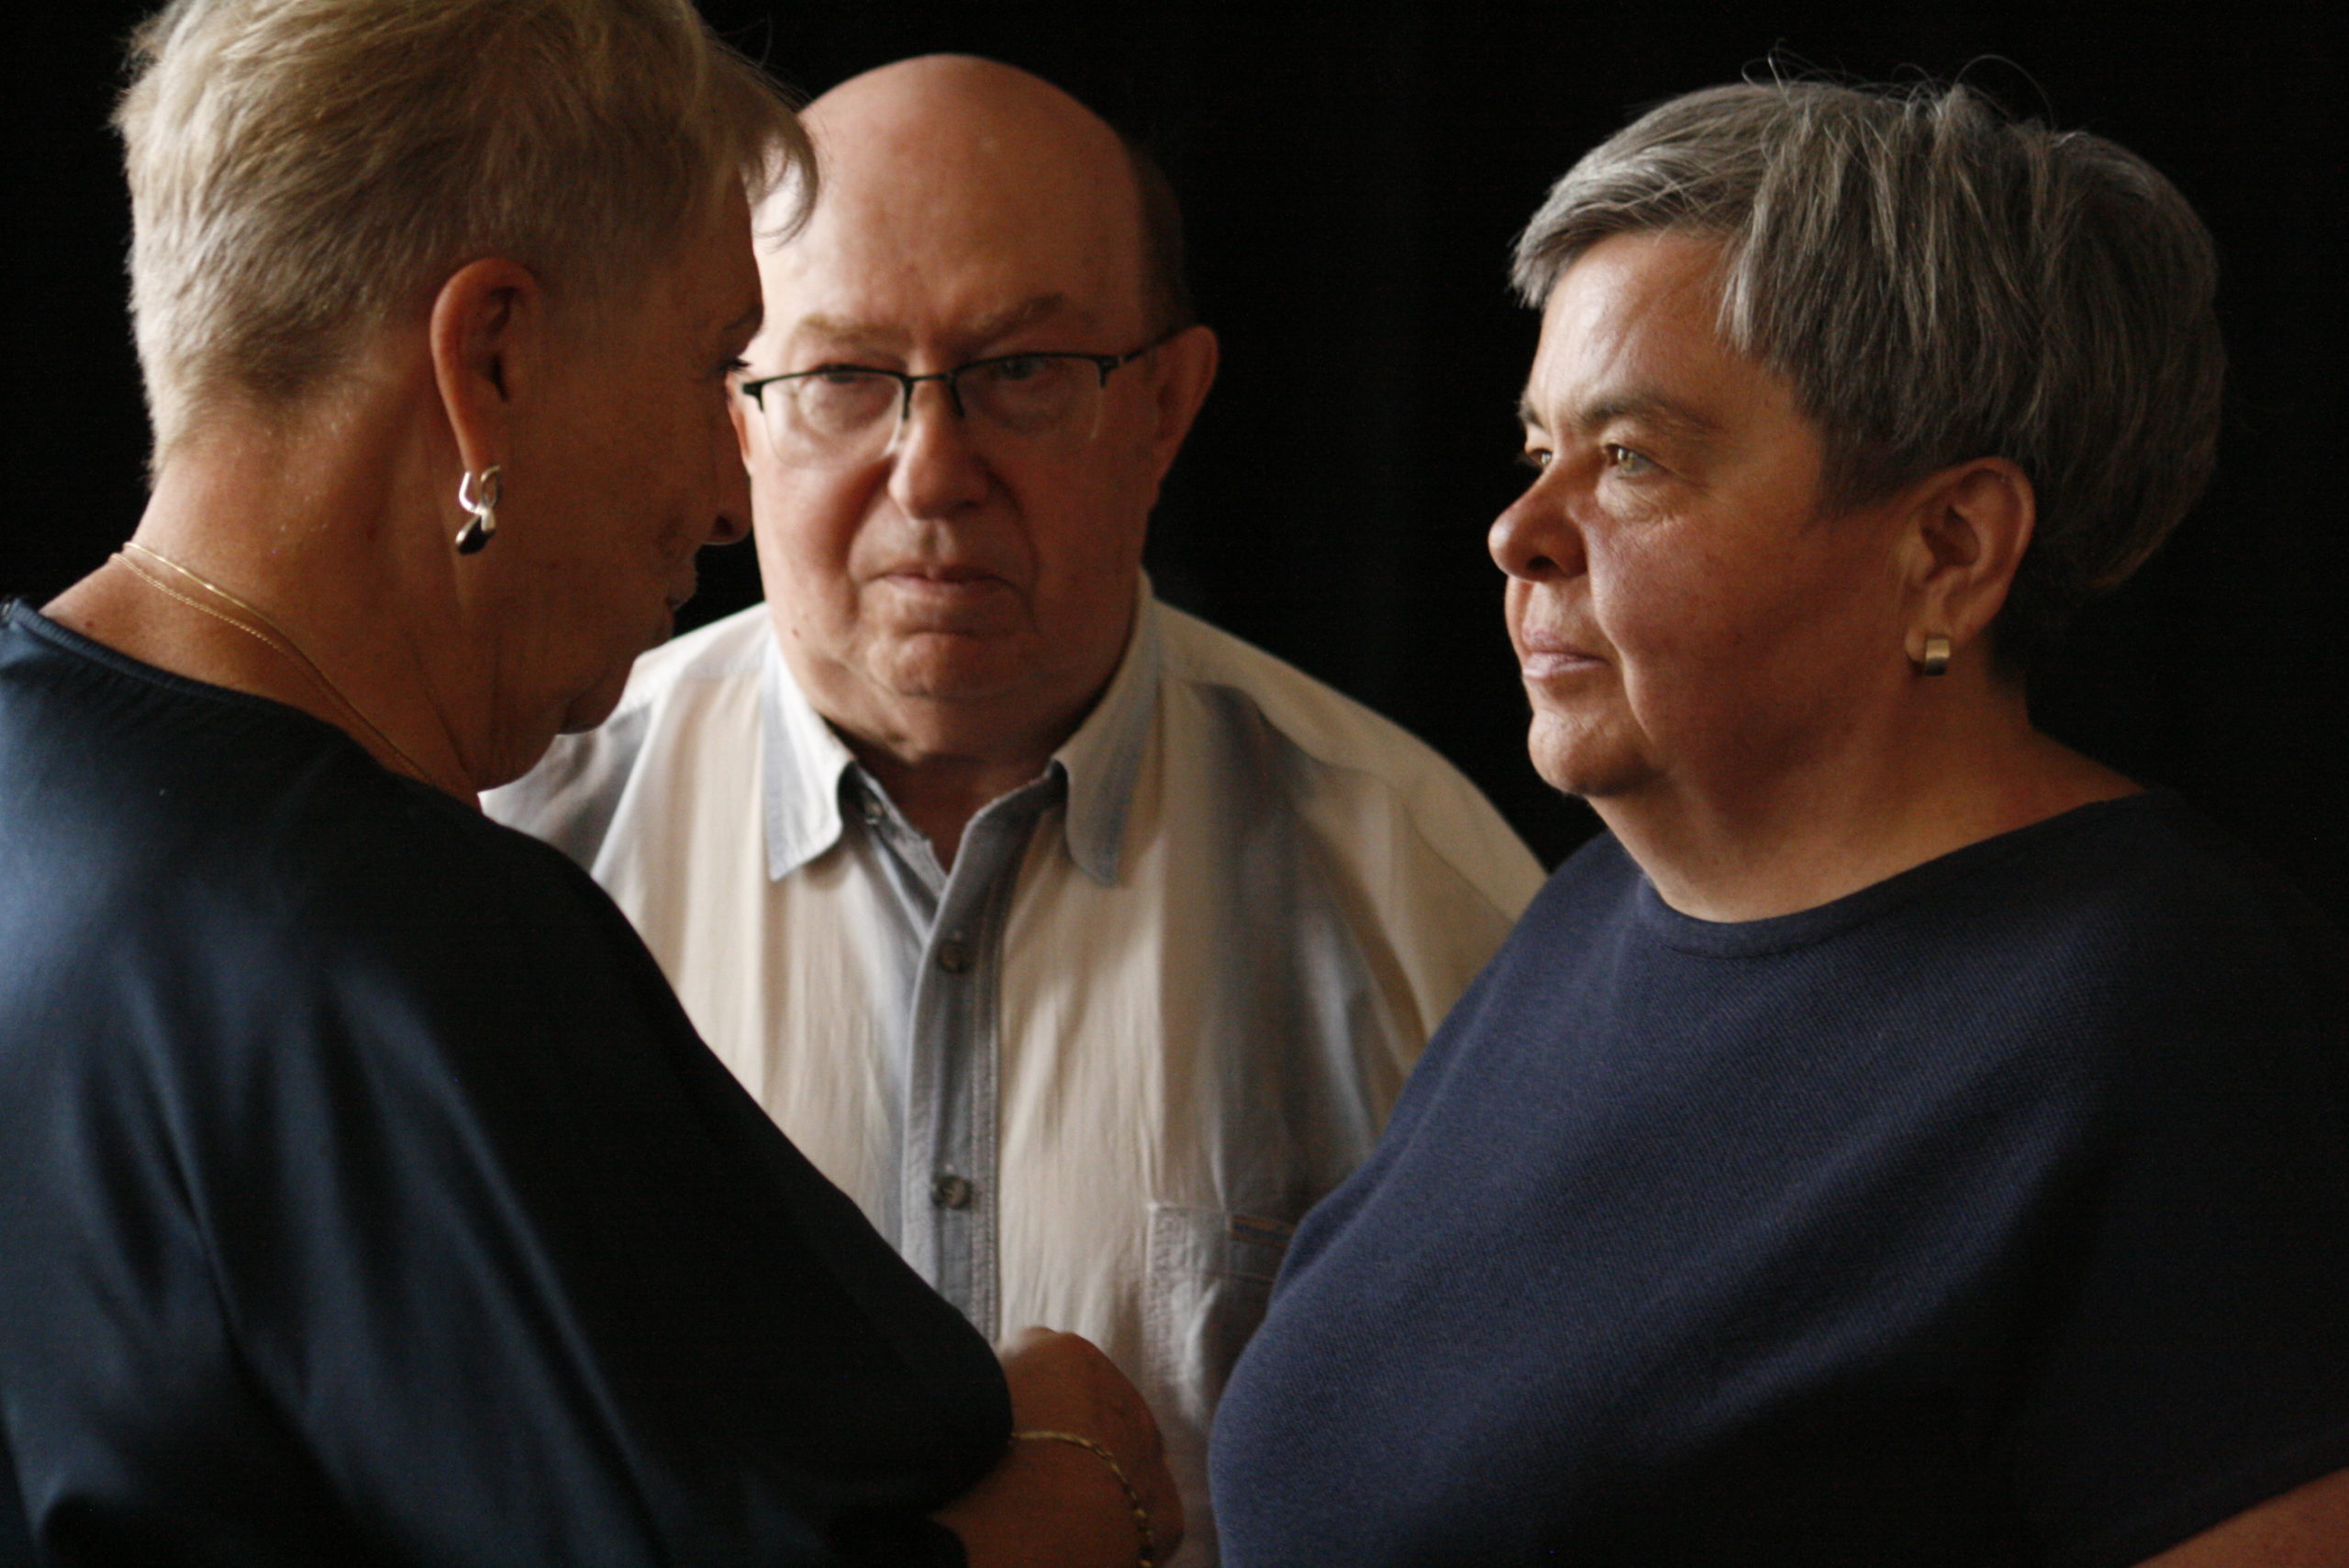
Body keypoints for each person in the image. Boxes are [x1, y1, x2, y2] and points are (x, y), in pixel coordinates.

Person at [0, 4, 1179, 1565]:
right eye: (712, 365)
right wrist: (1076, 1484)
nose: (723, 492)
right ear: (490, 358)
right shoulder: (406, 949)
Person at [1211, 79, 2349, 1566]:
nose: (1519, 532)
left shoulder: (2174, 1021)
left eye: (1631, 457)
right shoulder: (1591, 915)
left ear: (1949, 550)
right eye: (1538, 450)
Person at [485, 53, 1542, 1561]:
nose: (932, 473)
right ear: (737, 418)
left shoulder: (1425, 892)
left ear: (1166, 407)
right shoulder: (517, 855)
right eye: (843, 377)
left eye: (1023, 371)